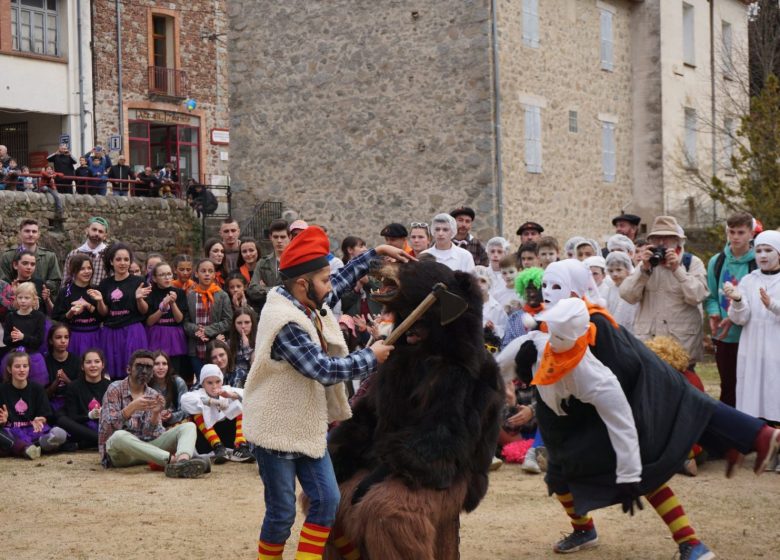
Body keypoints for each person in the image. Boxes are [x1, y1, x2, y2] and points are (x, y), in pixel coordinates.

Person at [516, 293, 780, 559]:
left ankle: (689, 541)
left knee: (647, 471)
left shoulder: (598, 359)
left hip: (612, 414)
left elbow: (623, 415)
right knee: (558, 474)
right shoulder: (538, 342)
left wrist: (629, 475)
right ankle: (583, 529)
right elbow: (502, 363)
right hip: (565, 423)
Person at [242, 226, 406, 559]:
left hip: (304, 424)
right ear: (304, 284)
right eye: (324, 280)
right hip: (275, 431)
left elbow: (342, 279)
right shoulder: (284, 320)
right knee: (281, 514)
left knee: (327, 501)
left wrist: (376, 254)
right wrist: (370, 357)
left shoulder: (304, 301)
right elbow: (323, 369)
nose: (331, 287)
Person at [98, 350, 209, 477]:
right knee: (118, 436)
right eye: (140, 366)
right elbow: (108, 427)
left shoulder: (153, 394)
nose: (144, 371)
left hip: (148, 452)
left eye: (149, 367)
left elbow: (153, 434)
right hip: (122, 454)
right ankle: (173, 461)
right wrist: (131, 407)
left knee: (189, 426)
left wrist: (156, 415)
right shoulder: (115, 389)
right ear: (128, 369)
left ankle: (183, 460)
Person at [619, 216, 708, 366]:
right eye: (656, 239)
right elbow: (627, 295)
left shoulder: (691, 263)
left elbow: (697, 296)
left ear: (677, 241)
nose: (661, 243)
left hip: (681, 345)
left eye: (666, 238)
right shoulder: (645, 265)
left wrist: (677, 270)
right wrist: (643, 270)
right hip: (650, 344)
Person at [724, 230, 780, 428]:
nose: (763, 255)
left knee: (775, 392)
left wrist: (772, 304)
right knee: (754, 395)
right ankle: (757, 439)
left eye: (768, 250)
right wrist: (738, 300)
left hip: (776, 349)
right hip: (754, 349)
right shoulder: (749, 280)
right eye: (758, 250)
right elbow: (739, 318)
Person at [704, 211, 756, 408]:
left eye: (741, 232)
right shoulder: (716, 262)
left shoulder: (757, 262)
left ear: (751, 233)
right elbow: (710, 296)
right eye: (731, 232)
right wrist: (714, 313)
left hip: (749, 335)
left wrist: (735, 316)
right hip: (724, 336)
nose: (735, 237)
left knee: (751, 387)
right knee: (728, 387)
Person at [94, 243, 151, 380]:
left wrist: (139, 299)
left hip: (133, 331)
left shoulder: (140, 282)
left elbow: (145, 311)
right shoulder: (105, 284)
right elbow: (103, 313)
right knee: (113, 374)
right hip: (110, 332)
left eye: (126, 259)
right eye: (118, 259)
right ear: (111, 262)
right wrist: (100, 301)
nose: (123, 263)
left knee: (135, 372)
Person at [0, 351, 67, 459]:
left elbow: (45, 415)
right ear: (9, 369)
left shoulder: (38, 389)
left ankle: (36, 445)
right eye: (17, 366)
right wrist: (3, 421)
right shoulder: (2, 390)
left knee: (60, 434)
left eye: (25, 366)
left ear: (29, 368)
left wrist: (41, 420)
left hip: (32, 431)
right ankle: (24, 448)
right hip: (11, 432)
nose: (22, 370)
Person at [181, 363, 250, 463]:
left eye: (218, 382)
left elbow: (249, 396)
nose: (214, 386)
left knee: (240, 405)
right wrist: (212, 402)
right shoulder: (197, 394)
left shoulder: (226, 390)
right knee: (197, 410)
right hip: (207, 441)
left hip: (228, 435)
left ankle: (240, 445)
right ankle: (217, 446)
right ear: (203, 383)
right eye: (210, 383)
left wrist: (232, 395)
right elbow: (184, 401)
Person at [184, 258, 232, 373]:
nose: (207, 274)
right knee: (201, 381)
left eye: (210, 271)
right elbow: (185, 322)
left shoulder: (222, 295)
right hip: (196, 349)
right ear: (196, 273)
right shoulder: (190, 296)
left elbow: (228, 321)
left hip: (216, 348)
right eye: (203, 271)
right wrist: (196, 330)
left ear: (214, 274)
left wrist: (207, 330)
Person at [60, 349, 111, 449]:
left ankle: (82, 445)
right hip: (82, 428)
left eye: (97, 361)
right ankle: (101, 441)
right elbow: (72, 417)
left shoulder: (111, 386)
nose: (93, 365)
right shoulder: (73, 387)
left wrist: (104, 414)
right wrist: (89, 416)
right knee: (62, 420)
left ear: (103, 365)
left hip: (104, 426)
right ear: (82, 366)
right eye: (88, 362)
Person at [52, 254, 102, 356]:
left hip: (95, 335)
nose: (87, 271)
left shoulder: (97, 290)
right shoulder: (65, 292)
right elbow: (57, 317)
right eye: (82, 269)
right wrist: (71, 312)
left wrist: (88, 306)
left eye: (89, 268)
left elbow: (103, 316)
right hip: (73, 336)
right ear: (74, 271)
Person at [145, 262, 188, 376]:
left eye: (169, 274)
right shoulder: (150, 294)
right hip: (156, 334)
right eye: (162, 275)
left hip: (174, 334)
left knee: (174, 371)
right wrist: (162, 308)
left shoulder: (179, 292)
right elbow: (149, 321)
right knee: (156, 370)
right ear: (154, 278)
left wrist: (173, 304)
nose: (167, 277)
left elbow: (179, 319)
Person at [2, 282, 48, 387]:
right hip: (14, 358)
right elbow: (5, 340)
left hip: (33, 358)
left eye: (27, 298)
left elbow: (39, 340)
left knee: (33, 387)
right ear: (16, 298)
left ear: (33, 299)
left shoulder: (39, 316)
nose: (23, 301)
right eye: (20, 297)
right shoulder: (11, 316)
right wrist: (13, 338)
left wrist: (23, 337)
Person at [0, 219, 62, 296]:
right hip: (16, 300)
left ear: (38, 234)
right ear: (20, 234)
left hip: (41, 300)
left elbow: (56, 281)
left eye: (34, 231)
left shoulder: (49, 256)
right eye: (27, 231)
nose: (31, 234)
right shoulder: (8, 257)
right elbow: (3, 282)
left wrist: (40, 287)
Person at [247, 219, 289, 307]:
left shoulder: (296, 262)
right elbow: (253, 290)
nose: (279, 241)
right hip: (268, 309)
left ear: (290, 237)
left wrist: (264, 288)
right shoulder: (263, 263)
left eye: (283, 237)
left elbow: (296, 292)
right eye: (276, 237)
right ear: (270, 237)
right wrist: (280, 290)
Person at [502, 267, 544, 349]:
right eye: (528, 289)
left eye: (536, 289)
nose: (532, 294)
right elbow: (505, 346)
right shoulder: (514, 318)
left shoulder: (550, 316)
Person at [62, 216, 110, 287]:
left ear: (105, 236)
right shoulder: (74, 254)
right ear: (87, 230)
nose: (97, 233)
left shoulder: (109, 255)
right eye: (94, 229)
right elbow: (66, 281)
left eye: (100, 231)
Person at [44, 323, 80, 414]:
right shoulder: (45, 361)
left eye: (66, 337)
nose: (63, 341)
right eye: (58, 337)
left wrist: (66, 380)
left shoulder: (76, 360)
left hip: (72, 402)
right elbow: (43, 395)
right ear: (51, 341)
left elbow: (80, 392)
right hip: (52, 404)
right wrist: (56, 382)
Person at [148, 351, 188, 427]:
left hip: (176, 425)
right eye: (156, 364)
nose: (161, 367)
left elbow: (186, 411)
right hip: (153, 427)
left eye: (164, 364)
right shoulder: (146, 384)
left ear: (168, 366)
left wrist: (171, 416)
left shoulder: (178, 382)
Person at [604, 251, 638, 332]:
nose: (615, 274)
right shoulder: (610, 290)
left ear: (628, 269)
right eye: (611, 271)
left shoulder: (633, 289)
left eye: (619, 270)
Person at [474, 266, 508, 338]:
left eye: (483, 281)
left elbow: (506, 329)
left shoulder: (497, 308)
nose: (479, 285)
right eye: (476, 281)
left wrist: (493, 327)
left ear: (489, 283)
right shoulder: (467, 305)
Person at [228, 307, 257, 389]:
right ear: (234, 324)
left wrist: (247, 347)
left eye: (247, 322)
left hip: (255, 381)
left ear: (252, 323)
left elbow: (256, 365)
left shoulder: (260, 340)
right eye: (239, 323)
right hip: (236, 382)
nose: (243, 326)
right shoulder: (230, 343)